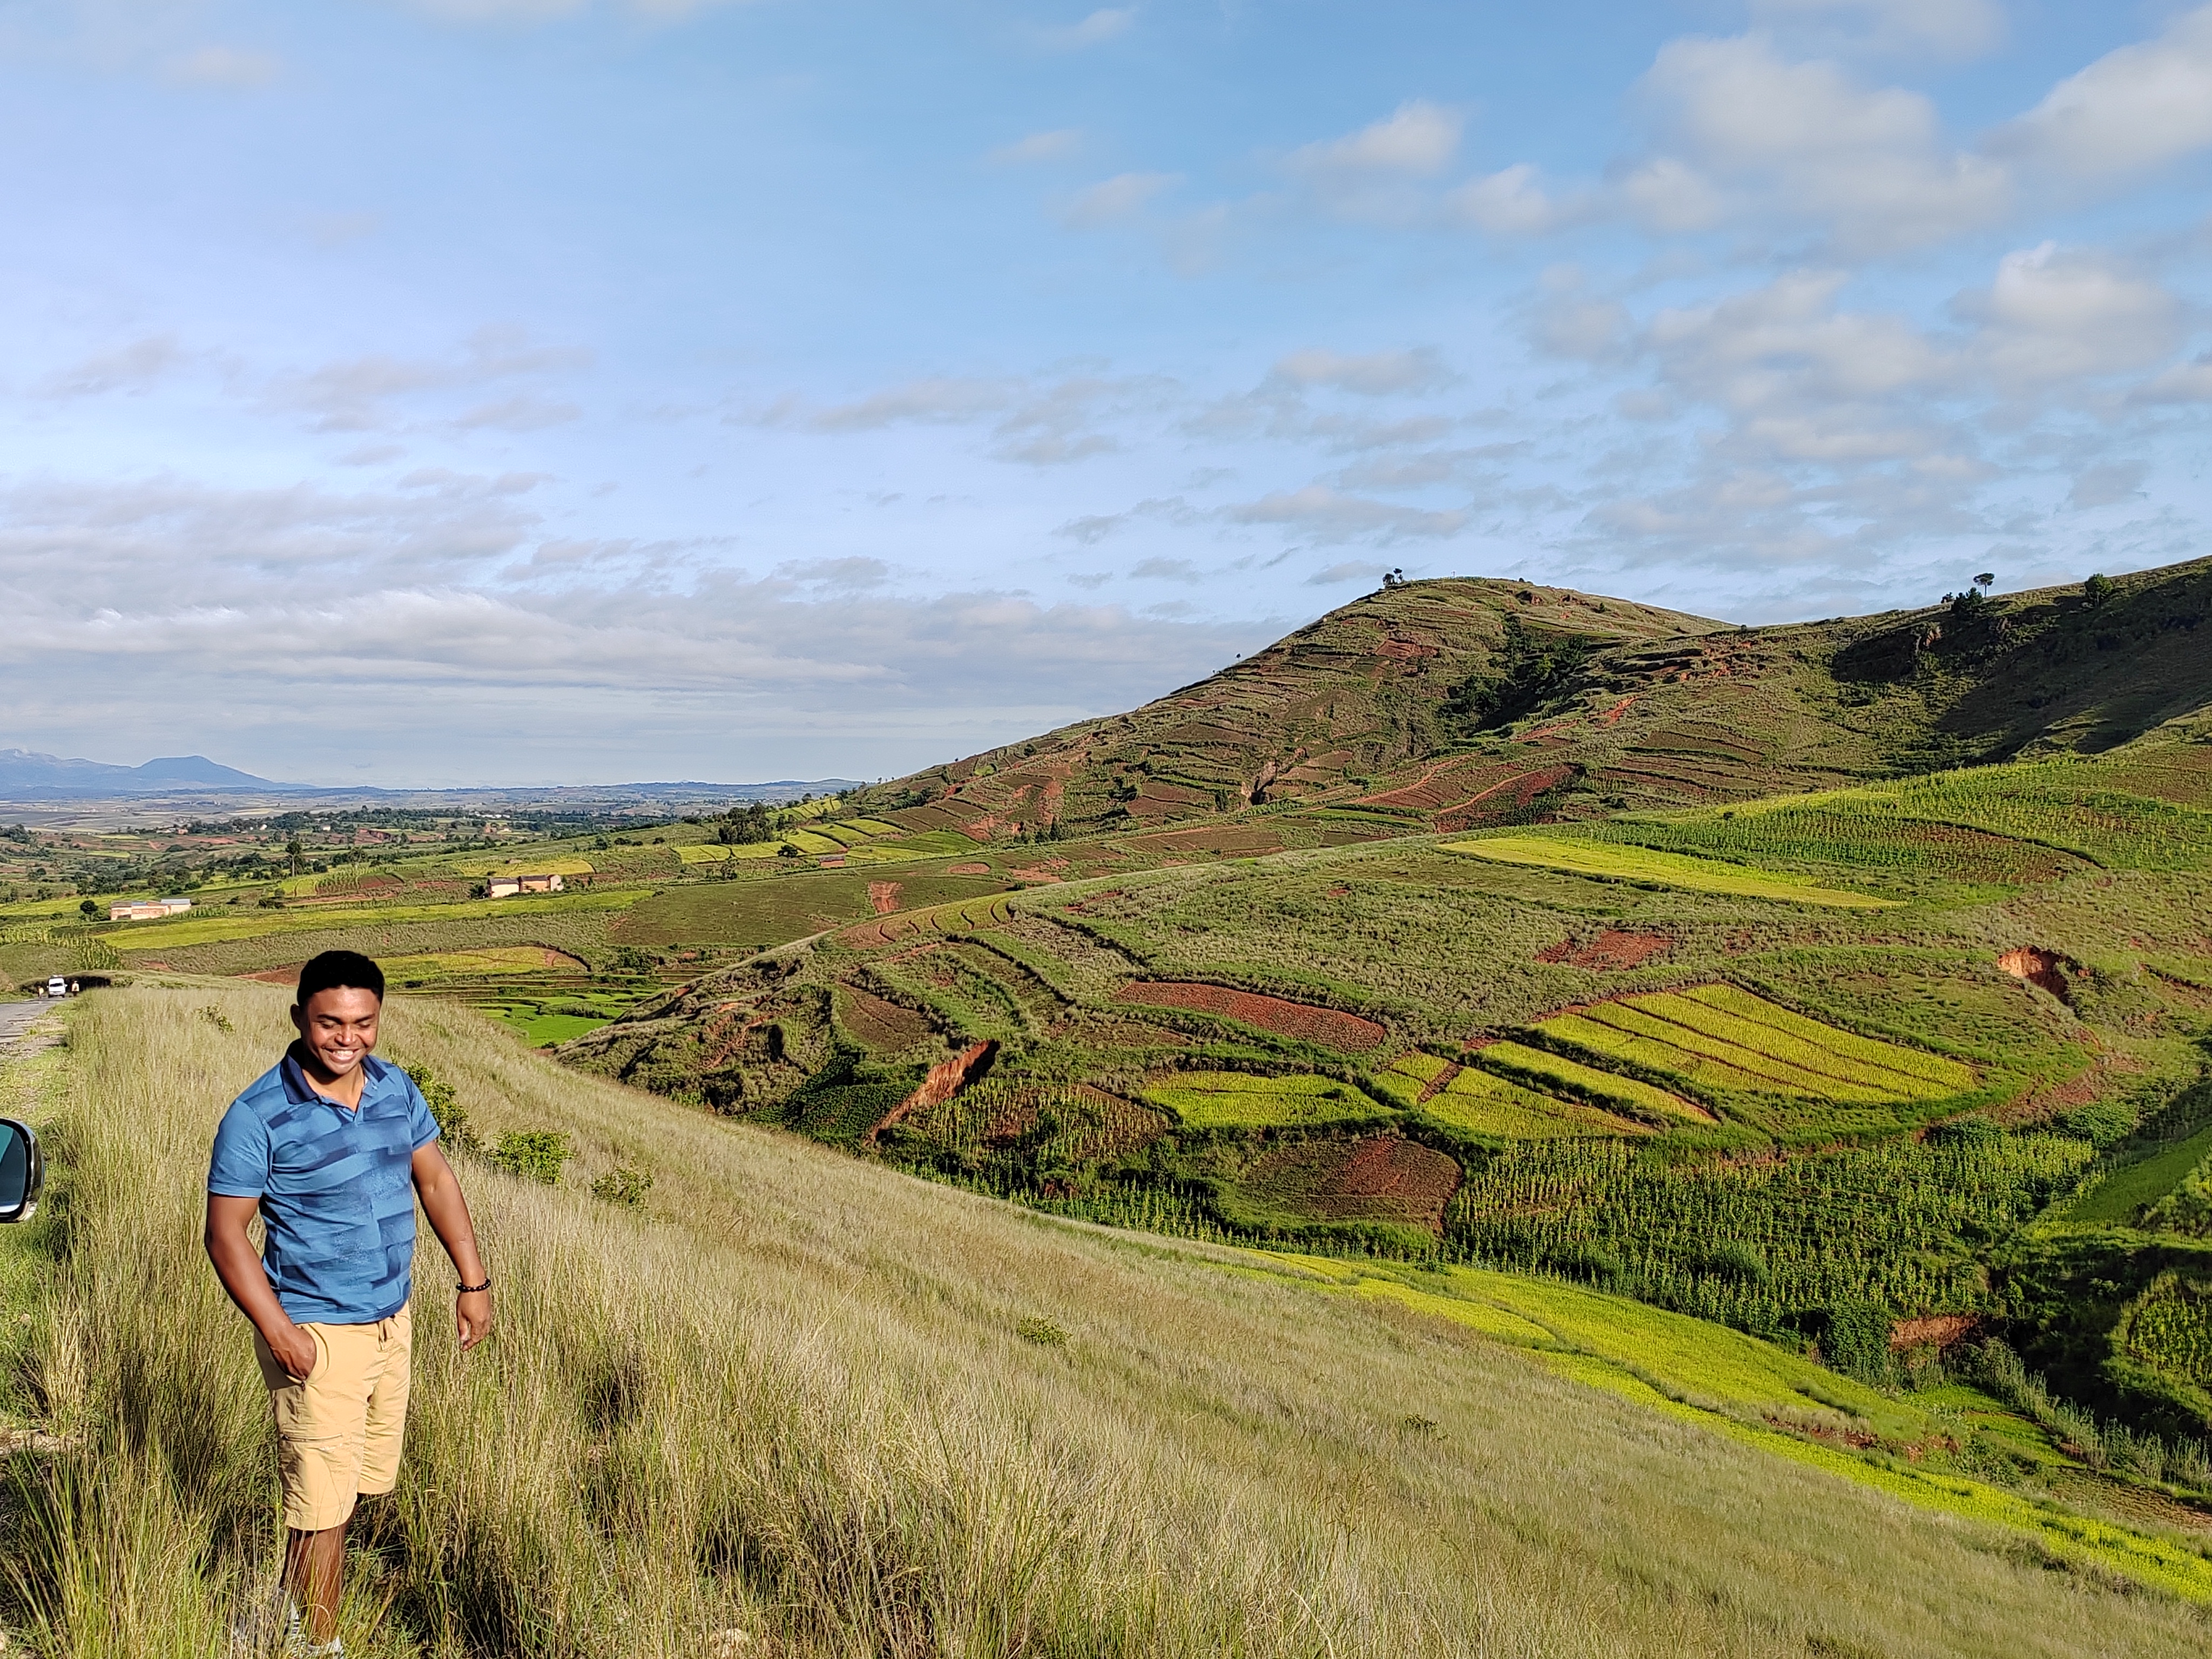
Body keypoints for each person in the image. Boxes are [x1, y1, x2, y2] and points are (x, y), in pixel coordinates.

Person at [205, 950, 491, 1657]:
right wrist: (280, 1331)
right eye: (330, 1022)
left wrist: (473, 1281)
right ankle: (319, 1646)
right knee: (323, 1510)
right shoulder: (257, 1115)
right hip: (317, 1332)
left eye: (363, 1023)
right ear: (299, 1016)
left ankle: (281, 1616)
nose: (346, 1039)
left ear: (379, 1020)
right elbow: (224, 1234)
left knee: (351, 1491)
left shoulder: (397, 1089)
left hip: (393, 1322)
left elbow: (436, 1182)